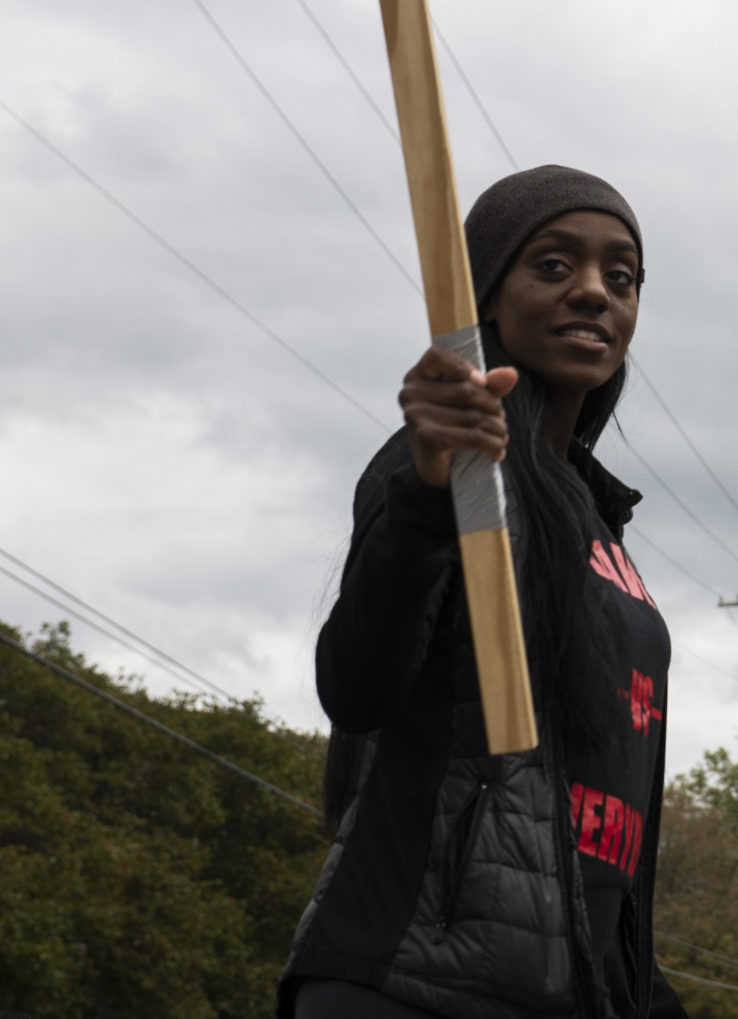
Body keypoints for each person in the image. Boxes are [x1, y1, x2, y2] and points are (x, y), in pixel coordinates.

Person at [277, 166, 685, 1019]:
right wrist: (429, 493)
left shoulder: (594, 515)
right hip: (417, 981)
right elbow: (357, 686)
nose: (593, 294)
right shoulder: (441, 465)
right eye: (551, 265)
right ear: (485, 297)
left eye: (622, 278)